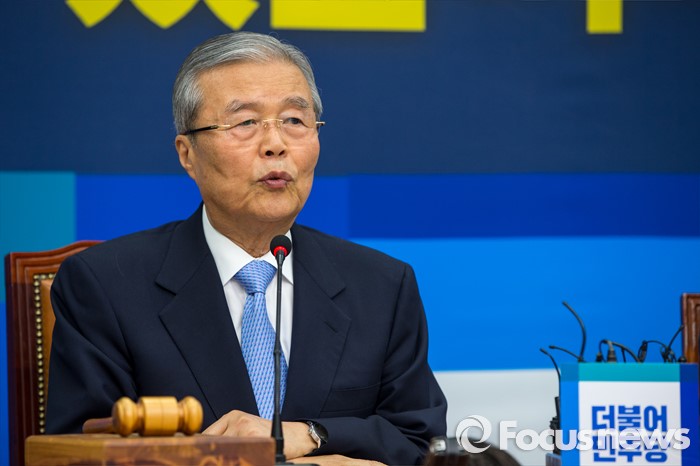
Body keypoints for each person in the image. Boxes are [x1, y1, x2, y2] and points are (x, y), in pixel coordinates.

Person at [46, 32, 447, 465]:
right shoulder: (106, 286)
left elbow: (421, 444)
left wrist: (311, 434)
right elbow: (79, 453)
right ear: (188, 154)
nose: (275, 144)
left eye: (294, 120)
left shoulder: (382, 287)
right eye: (245, 123)